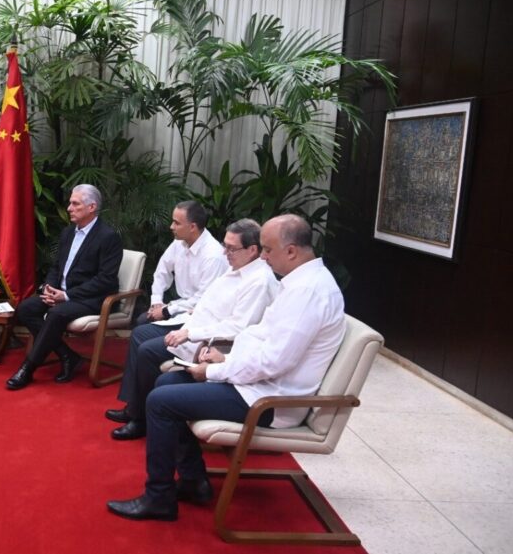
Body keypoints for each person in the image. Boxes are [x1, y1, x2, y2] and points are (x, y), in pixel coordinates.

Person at [106, 214, 346, 521]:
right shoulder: (299, 283)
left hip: (271, 400)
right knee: (166, 385)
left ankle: (159, 498)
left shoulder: (308, 291)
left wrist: (213, 371)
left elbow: (274, 361)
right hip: (258, 385)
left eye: (268, 249)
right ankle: (193, 481)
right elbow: (257, 336)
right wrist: (224, 360)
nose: (263, 256)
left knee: (160, 402)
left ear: (291, 251)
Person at [107, 218, 278, 441]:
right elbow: (203, 297)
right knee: (142, 336)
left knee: (148, 351)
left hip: (210, 341)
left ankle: (140, 419)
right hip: (192, 324)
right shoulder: (236, 267)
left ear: (252, 250)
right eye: (225, 245)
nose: (225, 252)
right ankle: (137, 411)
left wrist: (189, 332)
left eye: (231, 248)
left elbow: (238, 326)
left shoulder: (259, 281)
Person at [7, 184, 123, 390]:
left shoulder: (108, 237)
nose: (69, 208)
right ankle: (67, 355)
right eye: (70, 202)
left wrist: (66, 295)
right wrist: (49, 288)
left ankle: (28, 368)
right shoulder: (68, 233)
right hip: (61, 293)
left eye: (75, 203)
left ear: (91, 207)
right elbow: (57, 267)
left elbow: (106, 280)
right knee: (26, 309)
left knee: (57, 314)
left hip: (91, 299)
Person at [135, 201, 226, 327]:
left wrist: (166, 311)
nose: (171, 226)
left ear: (192, 227)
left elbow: (203, 299)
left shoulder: (213, 256)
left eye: (177, 223)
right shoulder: (179, 242)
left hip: (199, 315)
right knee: (142, 320)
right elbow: (162, 271)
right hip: (179, 306)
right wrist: (157, 301)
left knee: (144, 332)